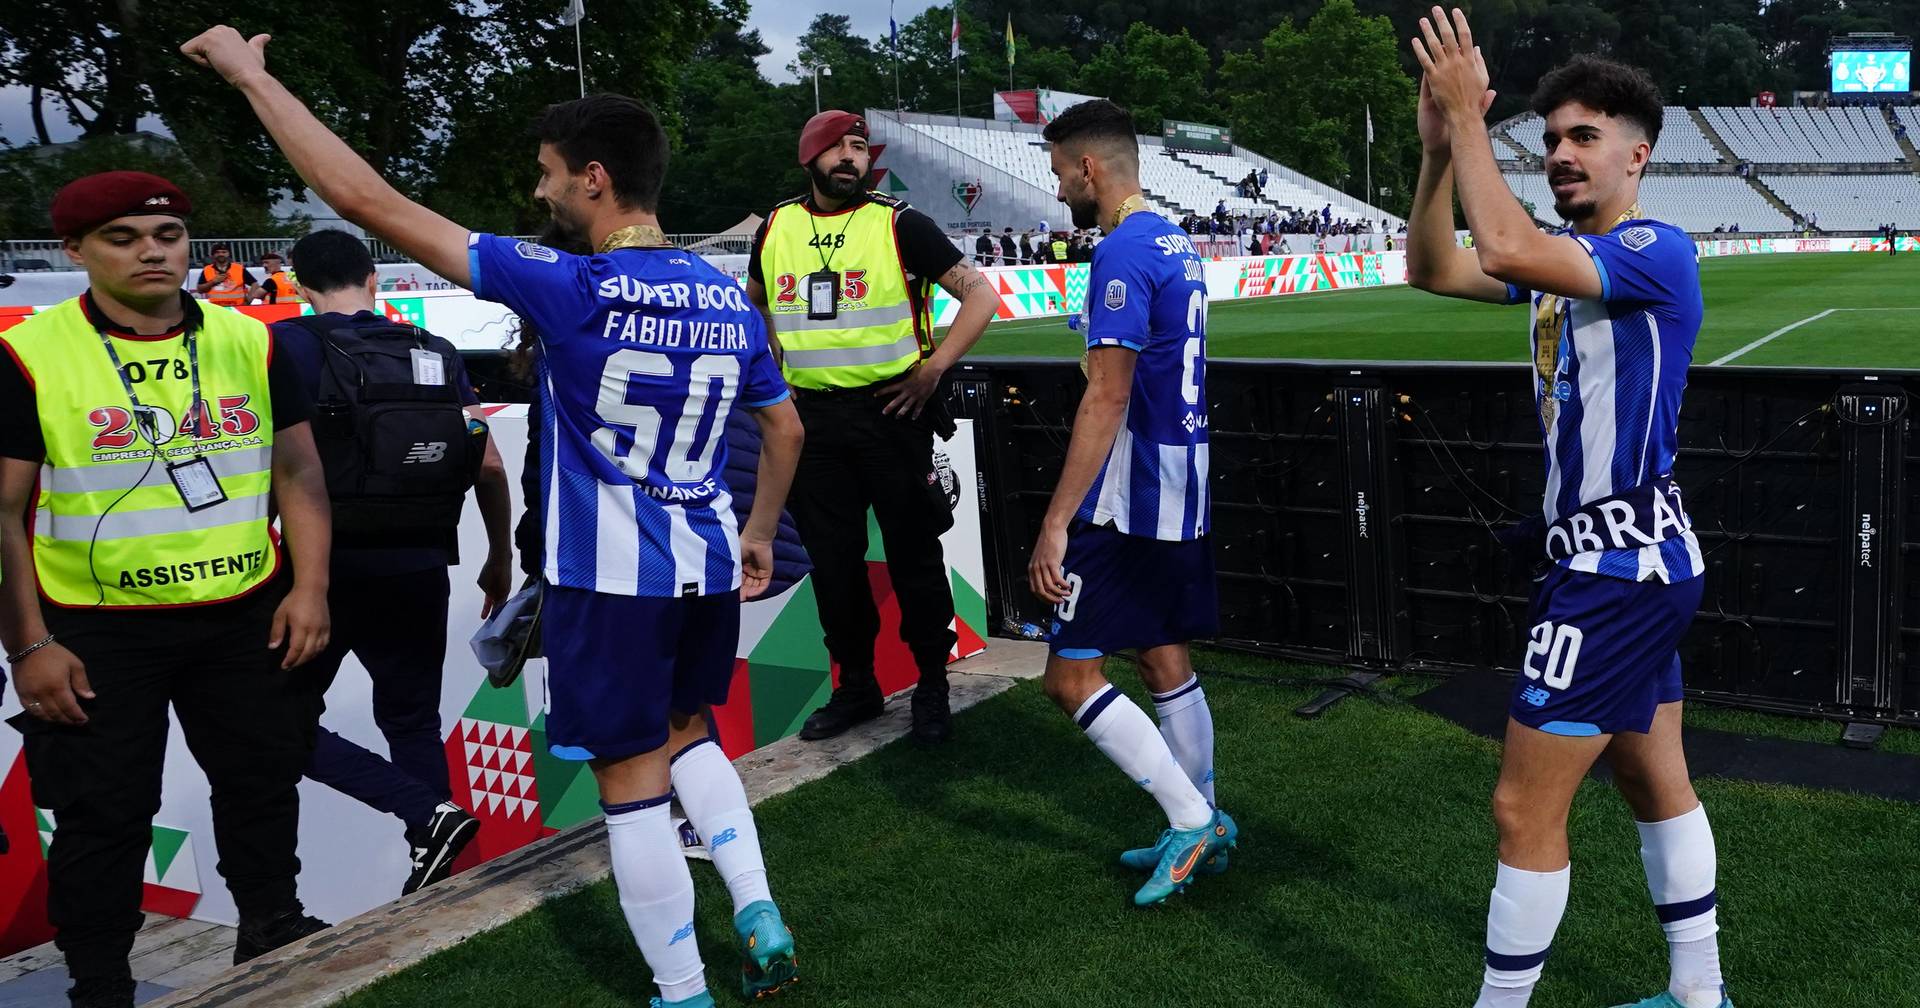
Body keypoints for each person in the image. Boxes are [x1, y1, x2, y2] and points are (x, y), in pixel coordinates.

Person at [180, 27, 806, 1008]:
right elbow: (786, 429)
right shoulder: (723, 297)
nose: (540, 193)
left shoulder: (572, 286)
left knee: (631, 786)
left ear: (595, 180)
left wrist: (253, 75)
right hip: (709, 568)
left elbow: (364, 202)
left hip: (612, 583)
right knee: (694, 734)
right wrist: (760, 528)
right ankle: (757, 906)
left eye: (550, 175)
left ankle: (681, 991)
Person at [1406, 11, 1728, 1008]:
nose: (1558, 155)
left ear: (1639, 155)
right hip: (1626, 563)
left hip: (1613, 576)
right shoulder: (1562, 265)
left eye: (1582, 137)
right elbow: (1432, 266)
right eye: (1548, 140)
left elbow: (1497, 246)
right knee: (1650, 780)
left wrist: (1466, 115)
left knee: (1519, 809)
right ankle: (1698, 993)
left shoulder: (1651, 249)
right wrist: (1431, 158)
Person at [0, 171, 333, 1008]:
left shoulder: (252, 339)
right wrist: (29, 645)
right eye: (121, 237)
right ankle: (101, 980)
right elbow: (2, 514)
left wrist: (310, 589)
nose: (151, 251)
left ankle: (270, 925)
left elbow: (300, 472)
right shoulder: (29, 353)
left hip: (243, 612)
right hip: (95, 629)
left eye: (167, 235)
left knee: (263, 784)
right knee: (103, 815)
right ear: (74, 251)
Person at [1029, 99, 1235, 908]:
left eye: (1058, 174)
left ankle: (1192, 821)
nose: (1057, 193)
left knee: (1070, 678)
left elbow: (1106, 397)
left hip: (1131, 492)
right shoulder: (1176, 239)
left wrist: (1054, 524)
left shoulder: (1121, 252)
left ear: (1090, 168)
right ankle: (1203, 817)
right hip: (1182, 483)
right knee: (1160, 655)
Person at [744, 110, 999, 745]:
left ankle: (932, 685)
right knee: (834, 565)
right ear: (810, 157)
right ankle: (856, 686)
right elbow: (753, 306)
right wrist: (771, 378)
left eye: (859, 147)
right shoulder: (776, 225)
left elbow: (982, 296)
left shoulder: (899, 221)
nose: (852, 158)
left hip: (893, 414)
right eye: (839, 148)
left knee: (915, 556)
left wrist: (934, 368)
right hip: (811, 422)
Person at [274, 228, 513, 895]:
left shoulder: (287, 346)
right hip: (419, 565)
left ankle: (424, 814)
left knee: (272, 718)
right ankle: (440, 870)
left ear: (297, 284)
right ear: (374, 280)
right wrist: (498, 556)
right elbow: (487, 462)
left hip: (322, 572)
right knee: (412, 720)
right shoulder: (431, 349)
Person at [194, 240, 254, 306]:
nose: (221, 254)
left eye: (224, 252)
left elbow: (255, 284)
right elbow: (200, 290)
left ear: (228, 254)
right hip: (216, 308)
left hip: (238, 307)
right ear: (213, 255)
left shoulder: (239, 268)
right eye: (217, 252)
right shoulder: (207, 269)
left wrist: (249, 299)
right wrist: (213, 282)